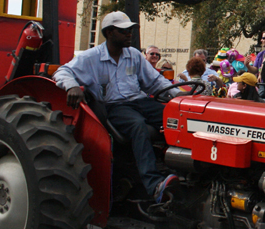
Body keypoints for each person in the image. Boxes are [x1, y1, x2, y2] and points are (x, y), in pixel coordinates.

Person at [53, 11, 178, 203]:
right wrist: (71, 85)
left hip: (140, 101)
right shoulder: (91, 57)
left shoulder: (134, 55)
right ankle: (154, 185)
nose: (129, 34)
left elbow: (155, 82)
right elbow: (63, 71)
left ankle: (180, 170)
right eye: (124, 31)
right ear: (110, 32)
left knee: (177, 118)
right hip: (115, 106)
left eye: (130, 30)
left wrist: (182, 98)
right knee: (138, 126)